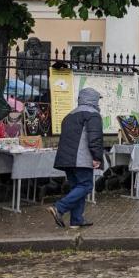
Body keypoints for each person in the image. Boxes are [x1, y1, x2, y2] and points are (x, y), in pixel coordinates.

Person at [48, 88, 104, 229]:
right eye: (98, 99)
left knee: (77, 187)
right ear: (93, 99)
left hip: (66, 159)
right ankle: (59, 208)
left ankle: (76, 220)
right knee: (86, 186)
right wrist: (96, 156)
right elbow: (95, 138)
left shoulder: (70, 115)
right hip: (81, 158)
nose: (98, 102)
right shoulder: (93, 114)